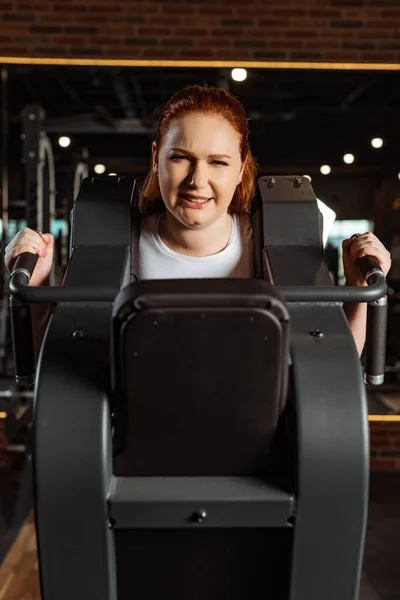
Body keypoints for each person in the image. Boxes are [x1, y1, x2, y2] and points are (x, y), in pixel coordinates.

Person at [4, 84, 391, 358]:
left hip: (254, 442)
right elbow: (60, 360)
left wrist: (358, 287)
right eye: (180, 158)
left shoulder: (271, 246)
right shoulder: (113, 247)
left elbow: (327, 357)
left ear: (240, 170)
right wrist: (37, 285)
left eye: (218, 162)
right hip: (139, 447)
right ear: (156, 157)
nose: (196, 181)